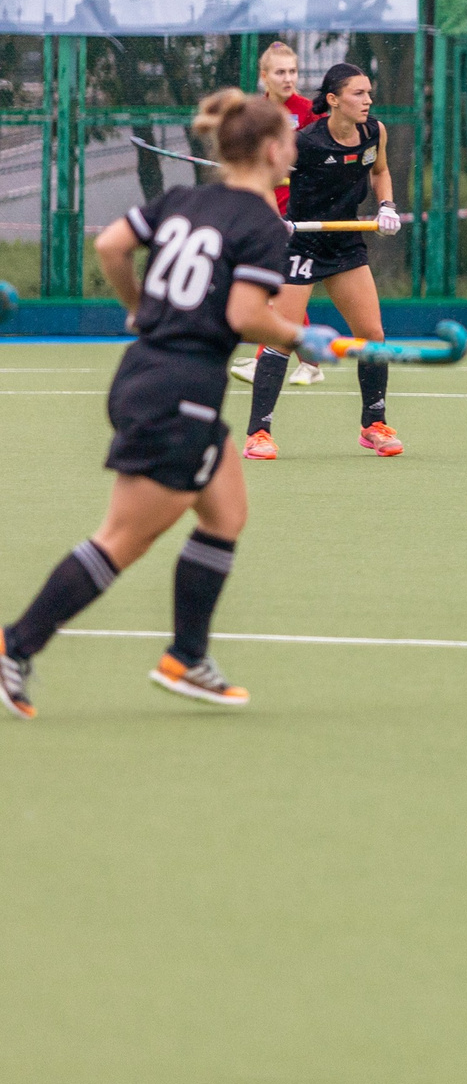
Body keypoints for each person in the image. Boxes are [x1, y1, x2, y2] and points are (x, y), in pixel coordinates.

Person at [2, 88, 342, 720]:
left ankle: (187, 657)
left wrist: (137, 306)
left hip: (152, 377)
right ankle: (14, 645)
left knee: (225, 512)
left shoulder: (185, 199)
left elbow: (111, 246)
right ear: (270, 150)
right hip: (178, 392)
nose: (295, 147)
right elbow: (245, 314)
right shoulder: (262, 225)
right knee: (121, 540)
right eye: (290, 140)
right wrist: (301, 337)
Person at [243, 62, 403, 458]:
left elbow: (380, 171)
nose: (367, 101)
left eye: (368, 93)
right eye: (358, 94)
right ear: (333, 100)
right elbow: (263, 180)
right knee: (281, 337)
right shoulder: (304, 143)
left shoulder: (373, 132)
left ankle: (373, 425)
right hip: (302, 245)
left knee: (373, 336)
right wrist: (275, 221)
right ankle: (257, 434)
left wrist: (386, 205)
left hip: (345, 244)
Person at [230, 39, 326, 388]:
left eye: (293, 71)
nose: (288, 78)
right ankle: (310, 361)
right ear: (264, 76)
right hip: (267, 207)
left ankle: (268, 359)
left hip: (299, 210)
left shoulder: (310, 110)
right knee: (281, 285)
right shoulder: (255, 113)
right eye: (280, 72)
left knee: (281, 284)